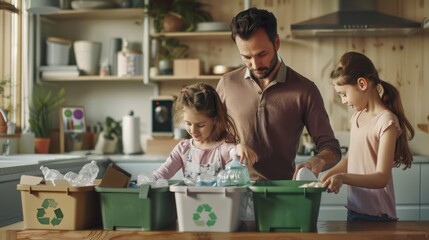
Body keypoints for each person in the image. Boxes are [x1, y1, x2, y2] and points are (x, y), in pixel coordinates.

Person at [216, 7, 341, 180]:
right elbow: (209, 137)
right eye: (246, 57)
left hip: (281, 193)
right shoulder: (227, 83)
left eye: (262, 54)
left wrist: (319, 160)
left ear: (276, 43)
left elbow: (331, 148)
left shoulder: (305, 90)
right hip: (232, 191)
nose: (255, 64)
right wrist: (233, 146)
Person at [321, 51, 414, 221]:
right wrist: (327, 176)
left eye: (343, 94)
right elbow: (351, 159)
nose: (343, 101)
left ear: (362, 84)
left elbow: (381, 178)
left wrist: (342, 178)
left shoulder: (386, 122)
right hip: (355, 209)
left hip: (378, 215)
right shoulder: (357, 117)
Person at [152, 83, 257, 182]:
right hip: (189, 201)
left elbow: (235, 154)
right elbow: (162, 173)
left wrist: (240, 147)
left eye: (200, 125)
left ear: (215, 120)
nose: (193, 130)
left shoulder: (225, 148)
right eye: (188, 124)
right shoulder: (183, 149)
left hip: (219, 201)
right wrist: (149, 180)